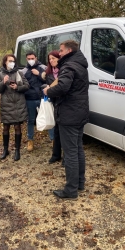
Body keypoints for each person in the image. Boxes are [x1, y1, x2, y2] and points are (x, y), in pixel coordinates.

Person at [43, 40, 89, 200]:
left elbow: (63, 87)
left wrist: (49, 91)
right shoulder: (81, 65)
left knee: (70, 153)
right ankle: (80, 183)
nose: (59, 53)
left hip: (69, 114)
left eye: (61, 51)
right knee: (78, 149)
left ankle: (71, 190)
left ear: (69, 51)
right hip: (80, 112)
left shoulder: (69, 66)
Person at [0, 54, 29, 161]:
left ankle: (17, 150)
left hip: (19, 104)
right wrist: (3, 82)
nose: (12, 63)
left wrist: (18, 87)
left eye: (13, 61)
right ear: (5, 62)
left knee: (17, 127)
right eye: (10, 61)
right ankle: (5, 149)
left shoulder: (19, 73)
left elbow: (27, 86)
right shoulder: (0, 74)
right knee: (6, 128)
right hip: (6, 104)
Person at [21, 51, 46, 152]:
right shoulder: (24, 71)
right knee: (30, 120)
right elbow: (22, 84)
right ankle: (30, 140)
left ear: (36, 58)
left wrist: (39, 74)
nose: (31, 60)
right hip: (30, 99)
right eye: (28, 59)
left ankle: (53, 140)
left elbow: (49, 80)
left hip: (42, 98)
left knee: (47, 118)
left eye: (32, 58)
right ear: (26, 59)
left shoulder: (44, 68)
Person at [42, 50, 62, 164]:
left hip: (64, 103)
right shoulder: (48, 73)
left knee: (64, 132)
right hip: (54, 103)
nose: (52, 60)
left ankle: (65, 156)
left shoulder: (64, 71)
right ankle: (56, 155)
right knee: (56, 131)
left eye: (54, 58)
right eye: (50, 59)